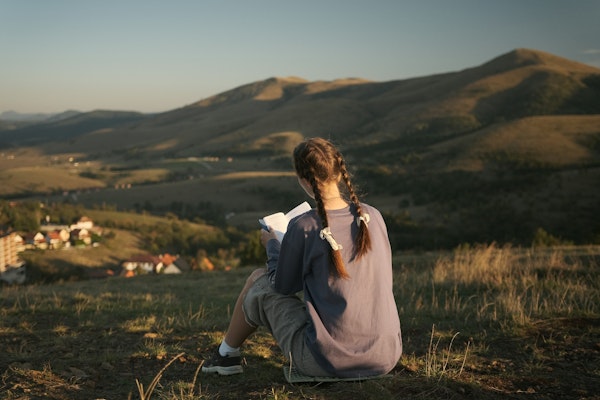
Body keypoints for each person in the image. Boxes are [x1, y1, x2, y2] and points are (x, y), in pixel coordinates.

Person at [202, 137, 402, 378]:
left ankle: (225, 355)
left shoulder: (305, 225)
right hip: (385, 357)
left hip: (329, 362)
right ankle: (226, 355)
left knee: (258, 281)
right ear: (339, 173)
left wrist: (273, 245)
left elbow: (283, 286)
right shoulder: (373, 216)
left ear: (304, 180)